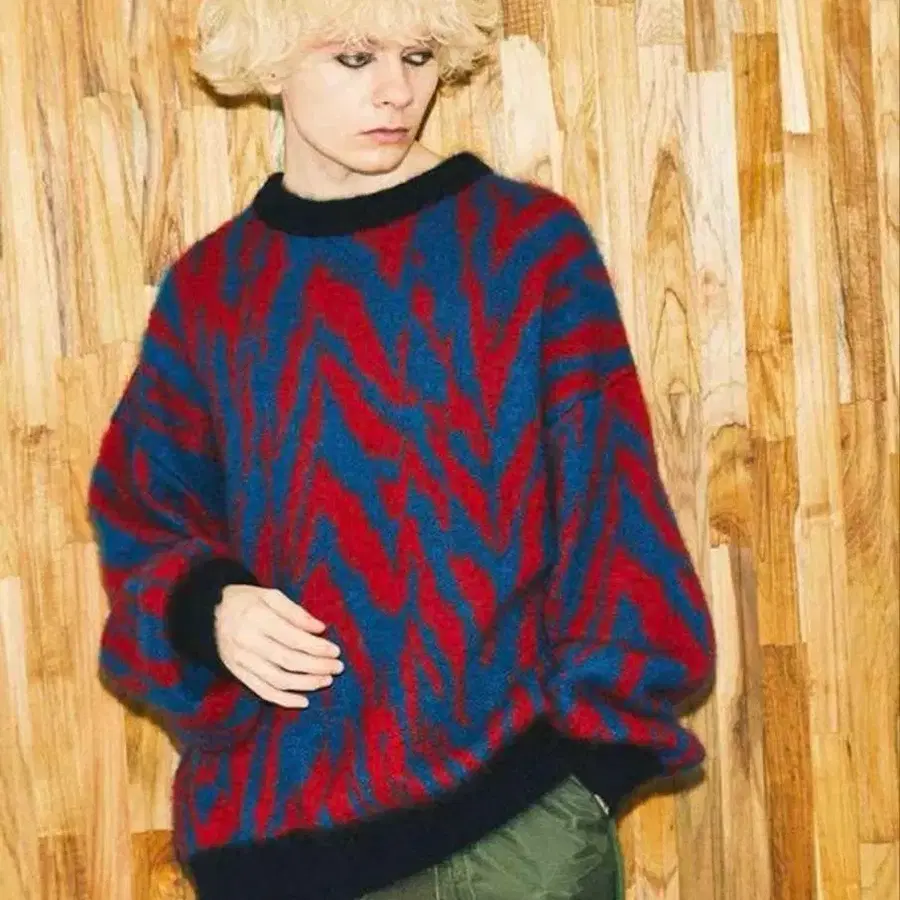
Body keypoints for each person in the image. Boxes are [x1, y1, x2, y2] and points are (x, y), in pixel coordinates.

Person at [87, 1, 717, 898]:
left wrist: (584, 776)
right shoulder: (213, 291)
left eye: (418, 56)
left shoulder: (526, 248)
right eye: (354, 58)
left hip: (511, 832)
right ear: (272, 54)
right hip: (282, 846)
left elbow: (614, 517)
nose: (396, 90)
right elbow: (144, 513)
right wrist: (208, 607)